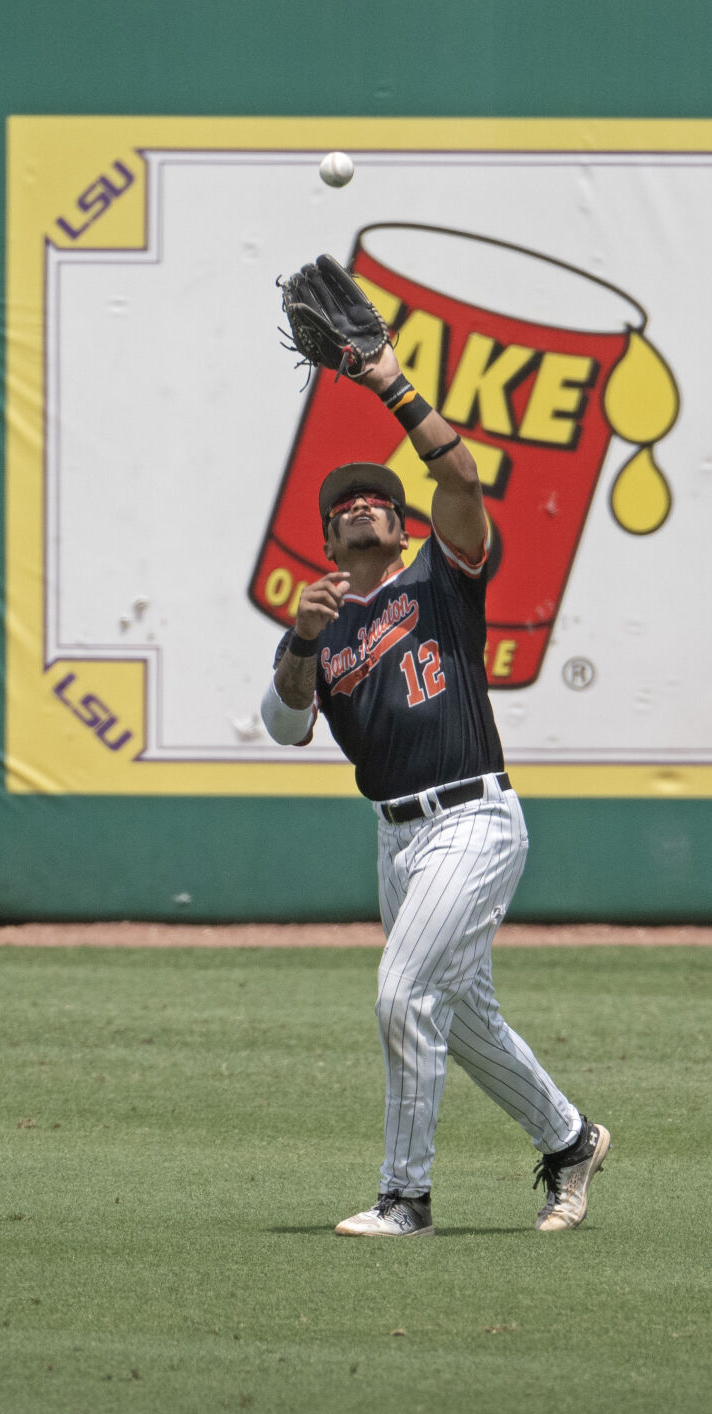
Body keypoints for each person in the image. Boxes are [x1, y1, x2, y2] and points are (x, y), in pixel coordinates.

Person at [260, 340, 609, 1238]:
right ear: (328, 537)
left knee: (402, 996)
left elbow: (458, 477)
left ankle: (404, 1197)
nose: (364, 505)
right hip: (396, 838)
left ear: (403, 527)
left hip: (474, 817)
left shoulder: (439, 580)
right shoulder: (322, 630)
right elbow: (285, 723)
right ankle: (569, 1141)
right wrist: (298, 639)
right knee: (459, 1014)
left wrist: (384, 380)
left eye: (379, 499)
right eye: (345, 505)